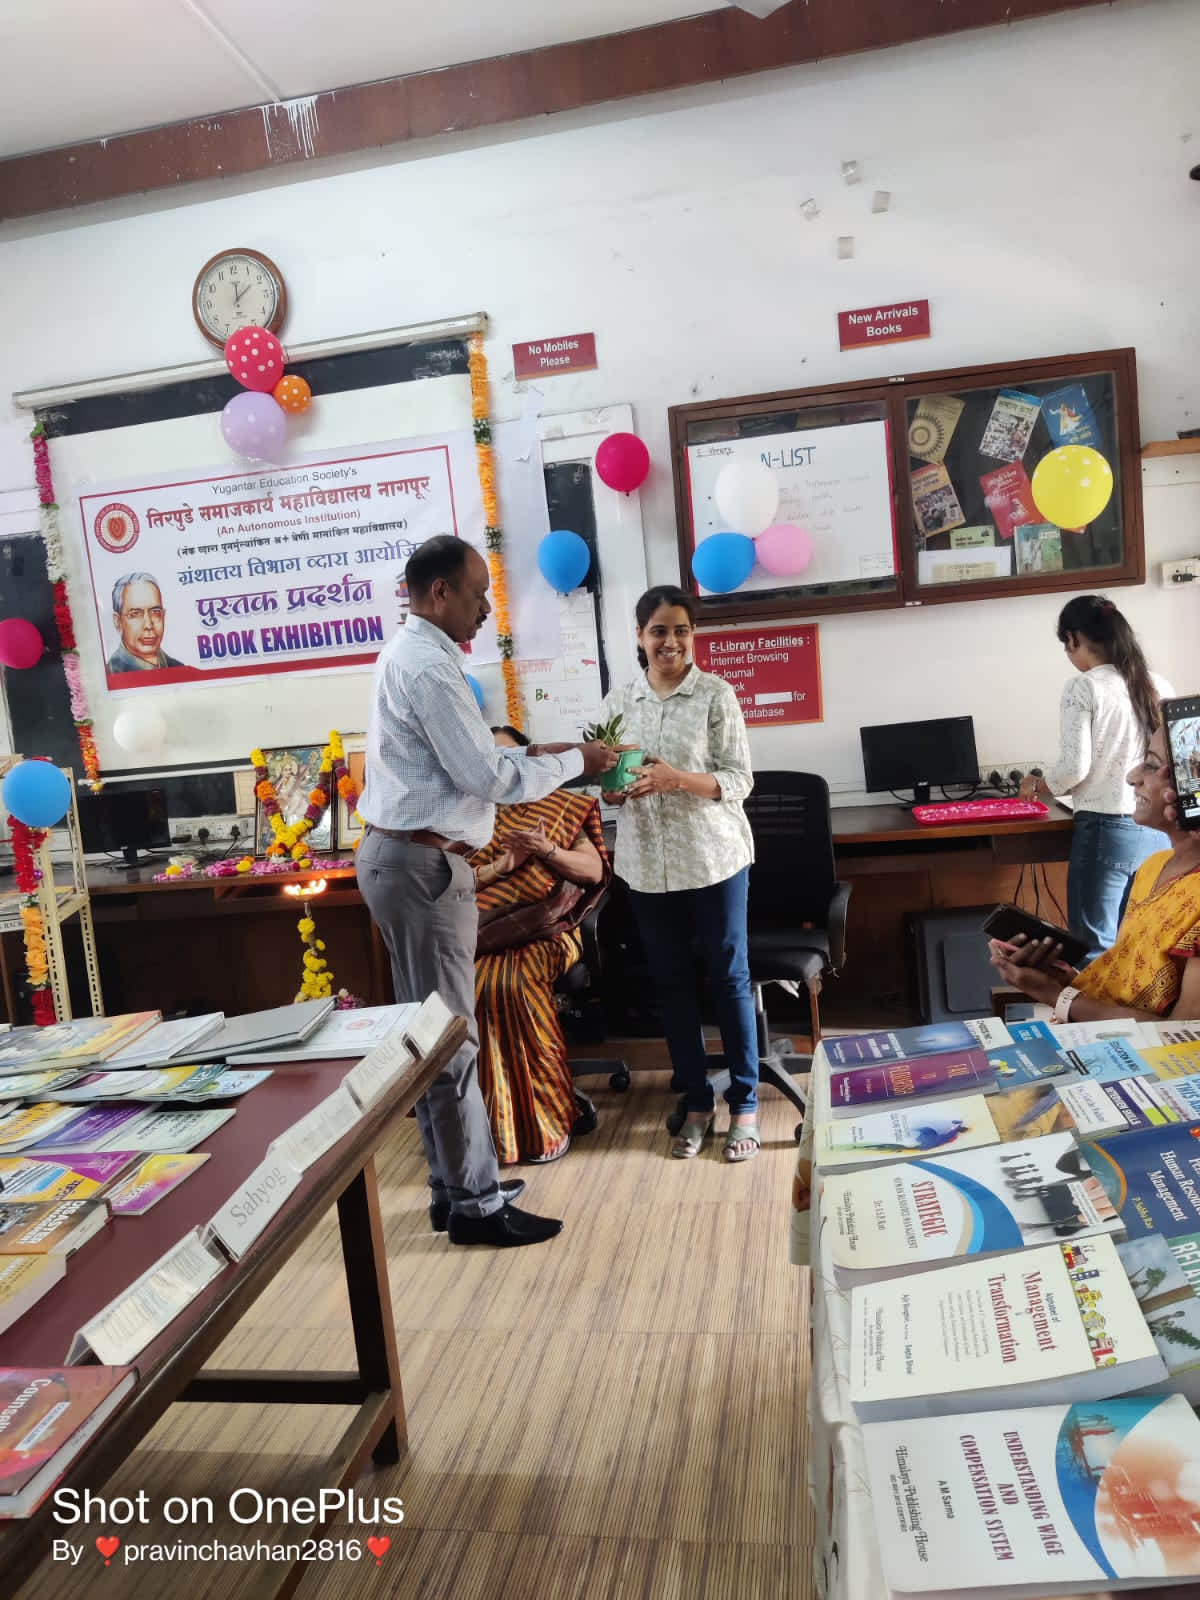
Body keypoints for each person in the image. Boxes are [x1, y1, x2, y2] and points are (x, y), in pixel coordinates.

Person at [355, 534, 620, 1248]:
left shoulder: (416, 653)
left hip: (406, 861)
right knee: (451, 1039)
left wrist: (530, 752)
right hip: (423, 868)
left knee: (430, 1037)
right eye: (477, 594)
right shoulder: (428, 667)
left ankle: (453, 1189)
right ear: (439, 591)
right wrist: (577, 761)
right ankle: (475, 1205)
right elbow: (488, 780)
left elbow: (460, 762)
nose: (485, 609)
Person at [600, 585, 760, 1162]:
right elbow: (608, 790)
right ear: (640, 637)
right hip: (647, 865)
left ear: (693, 635)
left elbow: (739, 779)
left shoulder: (717, 695)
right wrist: (616, 791)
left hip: (713, 858)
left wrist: (676, 780)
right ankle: (696, 1104)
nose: (671, 641)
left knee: (729, 979)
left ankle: (745, 1104)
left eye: (681, 630)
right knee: (670, 986)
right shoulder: (618, 703)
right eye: (659, 631)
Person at [994, 721, 1200, 1022]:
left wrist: (1057, 997)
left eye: (1153, 766)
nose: (1132, 777)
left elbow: (1184, 1032)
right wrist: (1061, 979)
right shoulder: (1153, 867)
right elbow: (1123, 988)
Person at [471, 726, 610, 1166]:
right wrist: (502, 866)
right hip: (479, 934)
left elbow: (592, 871)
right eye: (494, 761)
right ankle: (486, 1132)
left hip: (548, 929)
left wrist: (547, 849)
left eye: (512, 758)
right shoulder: (467, 817)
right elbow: (454, 883)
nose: (504, 768)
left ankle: (546, 1123)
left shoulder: (558, 805)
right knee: (467, 989)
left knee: (509, 986)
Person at [1020, 595, 1173, 963]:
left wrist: (1037, 785)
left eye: (1066, 644)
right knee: (1138, 944)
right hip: (1157, 828)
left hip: (1107, 831)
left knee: (1092, 947)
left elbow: (1075, 769)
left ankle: (1090, 1005)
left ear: (1074, 638)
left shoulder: (1083, 686)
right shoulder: (1159, 684)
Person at [107, 573, 183, 672]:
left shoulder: (179, 669)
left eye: (155, 612)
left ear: (163, 616)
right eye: (135, 614)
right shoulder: (112, 673)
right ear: (118, 622)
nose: (148, 625)